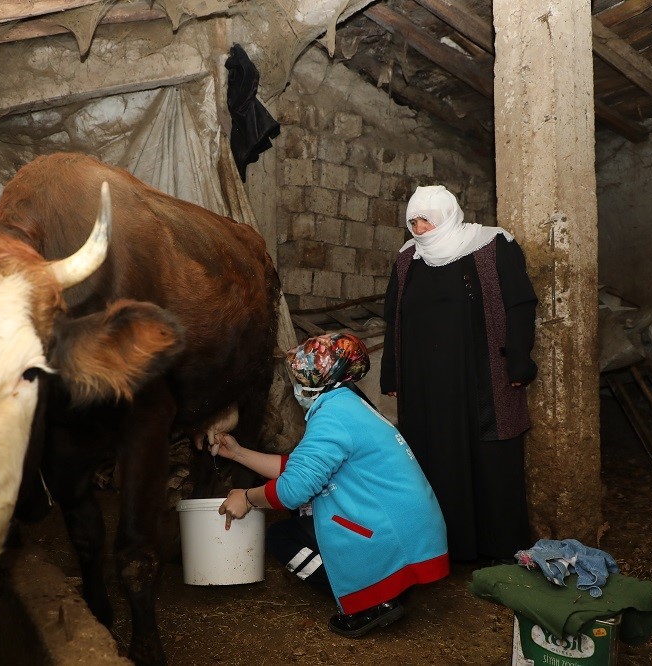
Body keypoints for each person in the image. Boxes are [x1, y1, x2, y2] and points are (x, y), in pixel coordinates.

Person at [216, 332, 449, 638]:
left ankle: (370, 600)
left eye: (298, 378)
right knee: (303, 515)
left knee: (281, 537)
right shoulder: (348, 404)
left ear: (317, 379)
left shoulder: (332, 418)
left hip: (391, 534)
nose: (295, 387)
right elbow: (300, 468)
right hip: (408, 531)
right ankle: (388, 585)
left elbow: (292, 489)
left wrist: (247, 497)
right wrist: (237, 452)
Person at [380, 184, 537, 563]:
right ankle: (440, 549)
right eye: (413, 222)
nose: (419, 229)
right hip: (425, 381)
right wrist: (392, 373)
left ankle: (495, 550)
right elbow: (393, 318)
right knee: (431, 456)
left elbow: (519, 304)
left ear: (448, 216)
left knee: (488, 455)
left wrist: (518, 360)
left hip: (478, 375)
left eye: (426, 221)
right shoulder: (407, 260)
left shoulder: (492, 245)